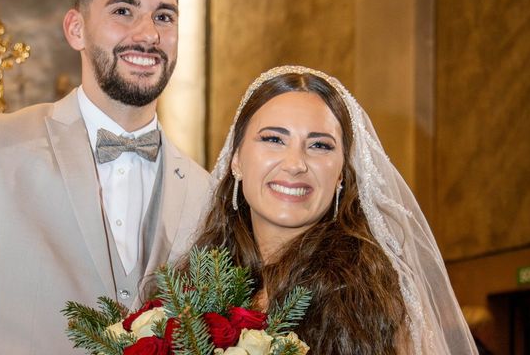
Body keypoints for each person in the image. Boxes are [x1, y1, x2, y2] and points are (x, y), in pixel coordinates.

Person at [0, 0, 211, 354]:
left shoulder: (205, 192)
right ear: (76, 29)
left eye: (164, 16)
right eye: (123, 11)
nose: (148, 34)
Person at [194, 66, 478, 354]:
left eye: (319, 145)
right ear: (237, 159)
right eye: (273, 139)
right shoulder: (196, 292)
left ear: (341, 173)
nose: (295, 164)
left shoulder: (374, 304)